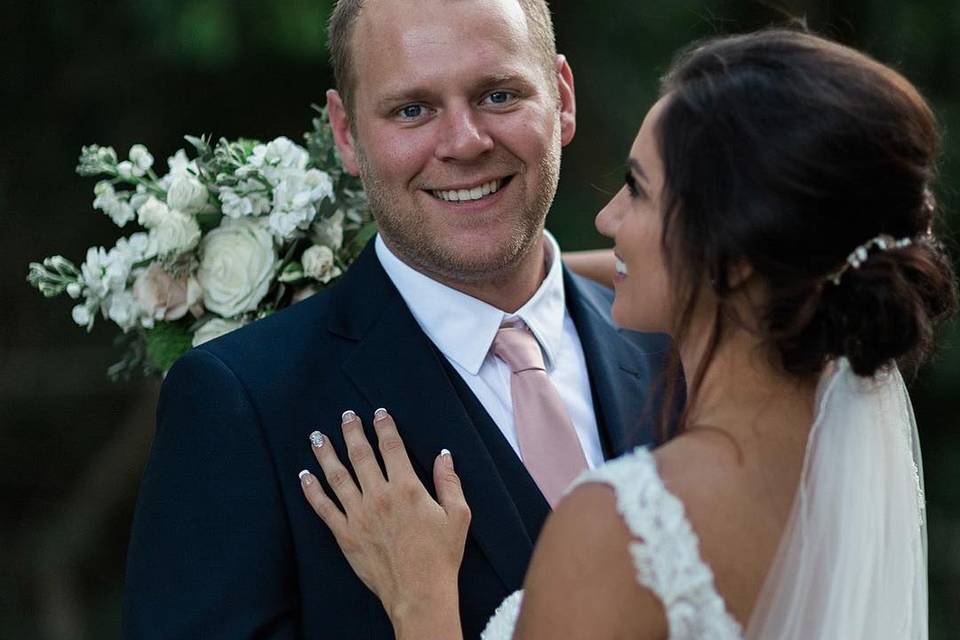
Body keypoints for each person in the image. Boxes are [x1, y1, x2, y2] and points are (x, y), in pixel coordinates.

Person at [296, 29, 958, 639]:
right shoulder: (850, 477)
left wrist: (423, 608)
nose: (609, 217)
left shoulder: (619, 529)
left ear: (732, 253)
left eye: (637, 191)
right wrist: (516, 277)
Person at [121, 0, 678, 637]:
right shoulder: (242, 405)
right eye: (412, 110)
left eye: (498, 95)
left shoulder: (683, 348)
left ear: (561, 97)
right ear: (346, 134)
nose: (466, 143)